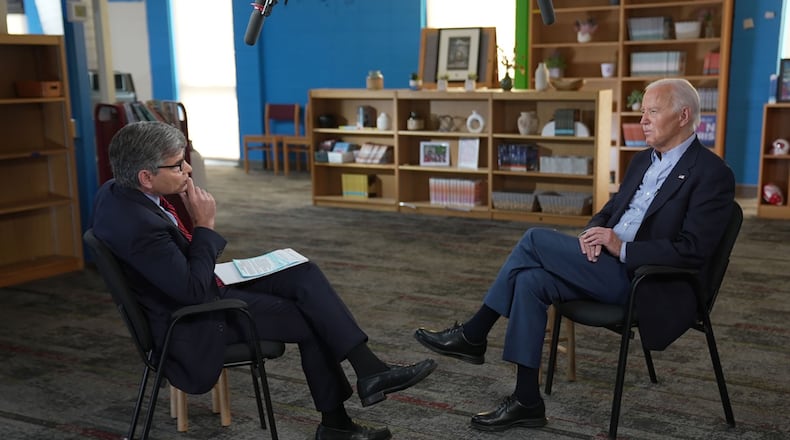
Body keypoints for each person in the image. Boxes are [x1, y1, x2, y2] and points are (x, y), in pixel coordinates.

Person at [414, 78, 735, 432]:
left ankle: (474, 334)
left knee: (534, 238)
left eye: (652, 111)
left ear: (683, 115)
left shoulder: (712, 174)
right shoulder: (643, 160)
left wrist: (620, 247)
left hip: (645, 280)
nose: (642, 119)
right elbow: (611, 209)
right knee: (530, 280)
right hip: (604, 264)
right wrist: (592, 234)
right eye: (642, 111)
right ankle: (527, 401)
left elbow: (692, 250)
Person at [91, 121, 436, 440]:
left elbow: (176, 273)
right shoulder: (140, 227)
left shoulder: (116, 191)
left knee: (303, 273)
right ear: (146, 177)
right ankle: (339, 422)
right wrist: (203, 226)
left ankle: (368, 371)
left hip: (192, 292)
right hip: (193, 324)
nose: (188, 169)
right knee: (311, 315)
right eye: (178, 165)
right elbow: (193, 292)